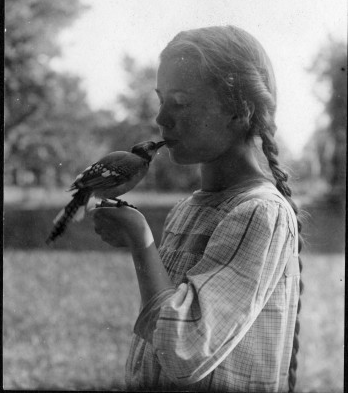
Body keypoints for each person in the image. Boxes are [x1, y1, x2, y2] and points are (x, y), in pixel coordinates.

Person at [91, 25, 304, 393]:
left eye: (180, 102)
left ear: (239, 111)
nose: (160, 119)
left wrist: (139, 238)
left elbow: (183, 352)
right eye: (161, 100)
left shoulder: (259, 213)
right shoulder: (189, 209)